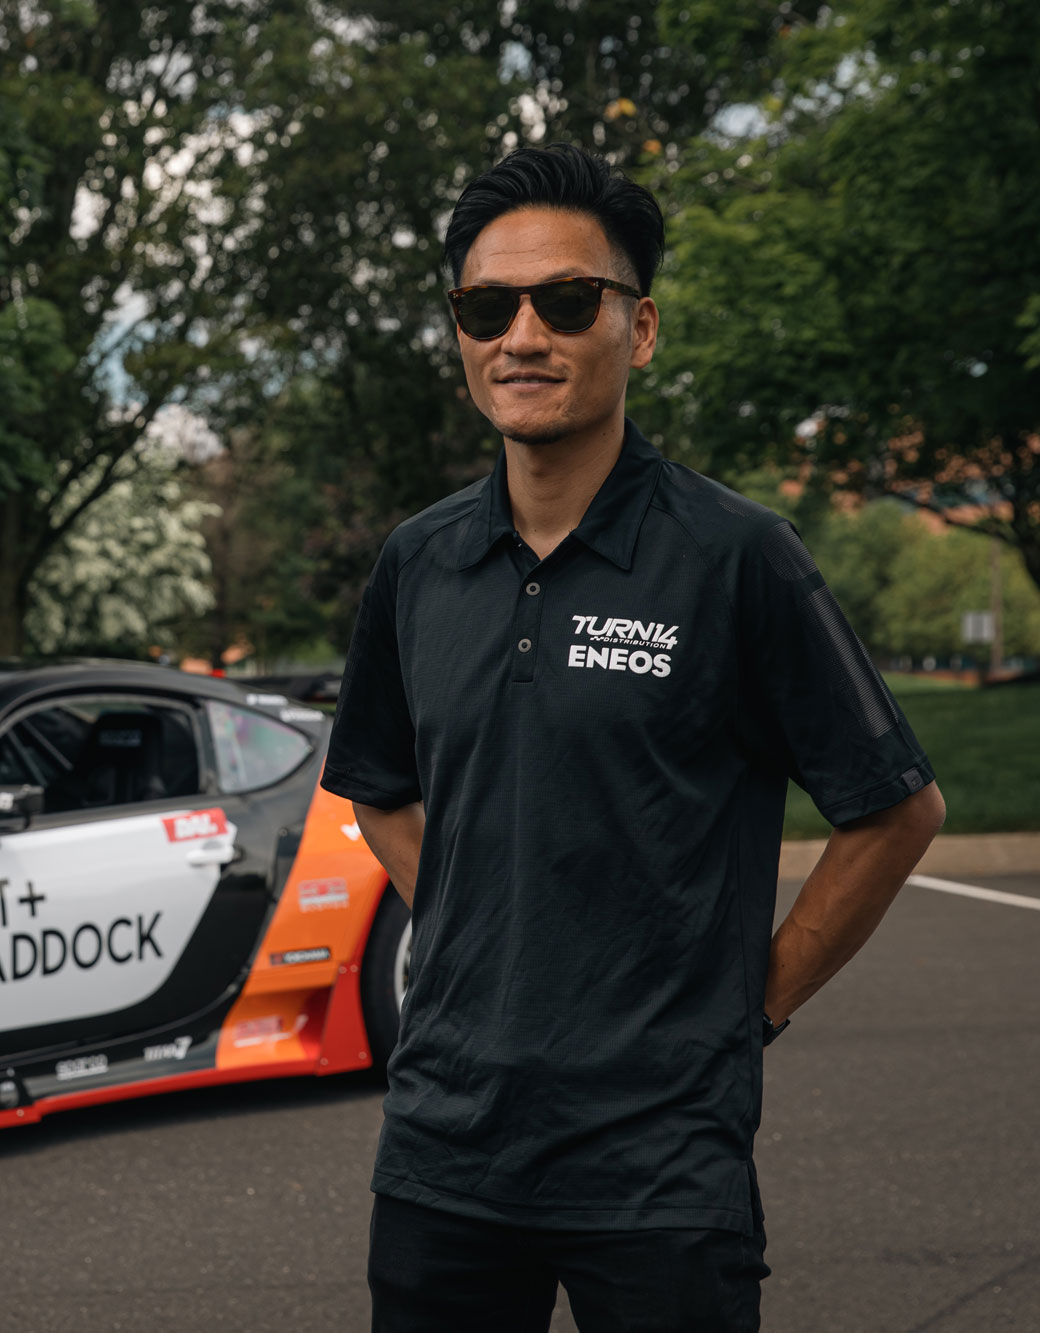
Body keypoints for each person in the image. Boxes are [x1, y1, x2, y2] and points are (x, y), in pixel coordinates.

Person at [322, 143, 946, 1332]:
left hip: (658, 1164)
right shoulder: (416, 562)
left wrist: (749, 1000)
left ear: (639, 328)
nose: (521, 336)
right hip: (443, 1149)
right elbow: (381, 791)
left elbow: (892, 808)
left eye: (566, 302)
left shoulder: (735, 556)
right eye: (483, 305)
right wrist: (469, 928)